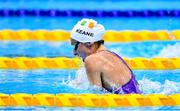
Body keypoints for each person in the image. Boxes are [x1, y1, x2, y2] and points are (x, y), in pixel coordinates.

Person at [70, 18, 141, 94]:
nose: (74, 52)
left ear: (88, 43)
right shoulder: (113, 56)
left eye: (75, 46)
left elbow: (95, 95)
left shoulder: (92, 60)